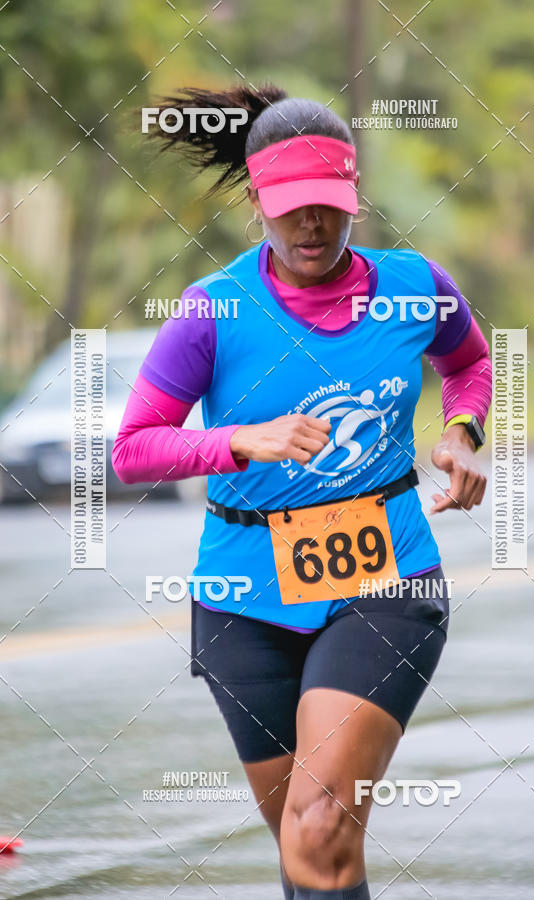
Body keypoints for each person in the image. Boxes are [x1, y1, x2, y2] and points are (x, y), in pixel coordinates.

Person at [113, 82, 492, 900]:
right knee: (308, 852)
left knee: (319, 825)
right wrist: (234, 440)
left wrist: (462, 434)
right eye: (290, 207)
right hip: (241, 599)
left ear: (353, 197)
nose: (311, 224)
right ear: (257, 202)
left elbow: (470, 363)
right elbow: (134, 451)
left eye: (327, 204)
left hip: (385, 576)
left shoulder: (414, 284)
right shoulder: (211, 311)